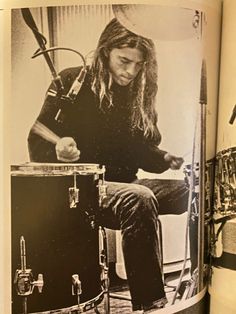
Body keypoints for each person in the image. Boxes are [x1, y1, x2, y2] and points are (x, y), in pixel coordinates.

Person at [28, 18, 189, 313]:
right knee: (138, 197)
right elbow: (37, 137)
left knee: (192, 189)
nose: (131, 71)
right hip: (85, 188)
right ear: (105, 51)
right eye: (124, 61)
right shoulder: (71, 81)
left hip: (127, 182)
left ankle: (198, 278)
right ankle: (151, 304)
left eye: (139, 64)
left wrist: (163, 158)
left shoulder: (136, 93)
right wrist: (58, 149)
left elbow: (141, 152)